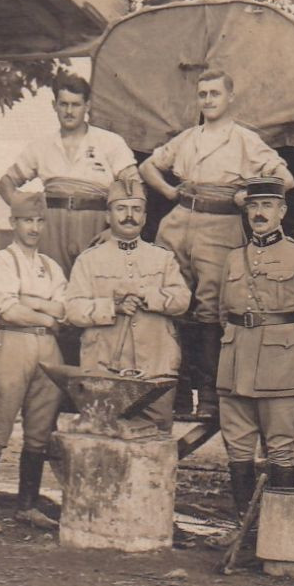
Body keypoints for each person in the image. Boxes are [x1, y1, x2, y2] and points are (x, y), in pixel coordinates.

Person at [140, 69, 293, 417]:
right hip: (179, 220)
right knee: (169, 302)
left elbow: (285, 178)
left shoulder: (243, 140)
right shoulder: (189, 137)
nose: (208, 100)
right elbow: (149, 167)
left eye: (215, 94)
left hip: (220, 223)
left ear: (230, 98)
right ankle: (174, 392)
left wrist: (247, 194)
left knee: (210, 310)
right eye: (203, 94)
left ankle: (208, 396)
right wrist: (167, 191)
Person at [212, 176, 294, 535]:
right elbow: (223, 312)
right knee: (237, 451)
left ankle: (280, 535)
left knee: (280, 450)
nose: (259, 213)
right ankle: (246, 533)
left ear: (282, 211)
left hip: (282, 366)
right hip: (235, 366)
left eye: (267, 206)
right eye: (253, 206)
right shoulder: (234, 258)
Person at [0, 192, 67, 533]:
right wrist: (44, 310)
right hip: (11, 344)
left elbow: (63, 308)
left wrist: (31, 301)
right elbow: (7, 310)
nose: (34, 227)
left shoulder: (51, 266)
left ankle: (27, 505)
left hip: (48, 348)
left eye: (39, 221)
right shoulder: (1, 261)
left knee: (39, 432)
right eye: (27, 220)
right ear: (13, 223)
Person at [64, 178, 192, 431]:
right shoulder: (89, 260)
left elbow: (182, 300)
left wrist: (147, 296)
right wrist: (112, 307)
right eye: (121, 209)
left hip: (155, 371)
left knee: (155, 443)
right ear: (108, 216)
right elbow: (73, 310)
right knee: (103, 440)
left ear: (145, 217)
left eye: (136, 209)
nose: (129, 216)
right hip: (104, 370)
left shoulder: (163, 258)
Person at [0, 74, 139, 283]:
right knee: (53, 287)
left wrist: (117, 230)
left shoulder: (110, 142)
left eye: (76, 105)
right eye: (63, 104)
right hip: (53, 226)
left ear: (87, 106)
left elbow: (135, 189)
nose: (69, 111)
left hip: (96, 223)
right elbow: (5, 183)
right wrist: (26, 212)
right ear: (55, 105)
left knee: (96, 288)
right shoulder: (41, 146)